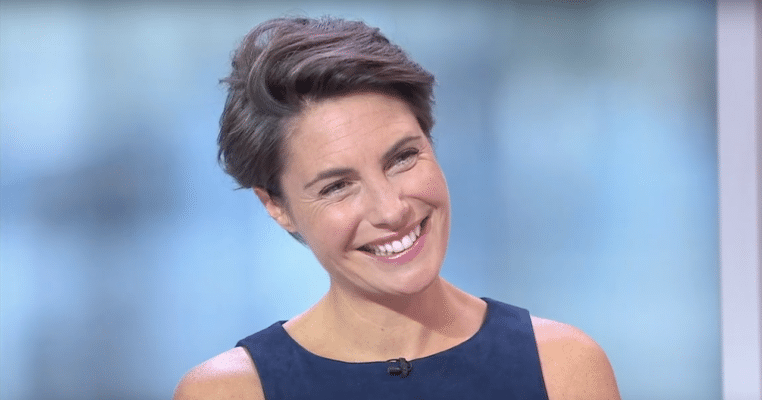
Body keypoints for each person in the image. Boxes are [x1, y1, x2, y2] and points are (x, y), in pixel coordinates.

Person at [173, 16, 621, 400]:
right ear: (276, 206)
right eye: (338, 186)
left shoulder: (563, 368)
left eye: (403, 158)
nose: (391, 211)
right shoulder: (230, 391)